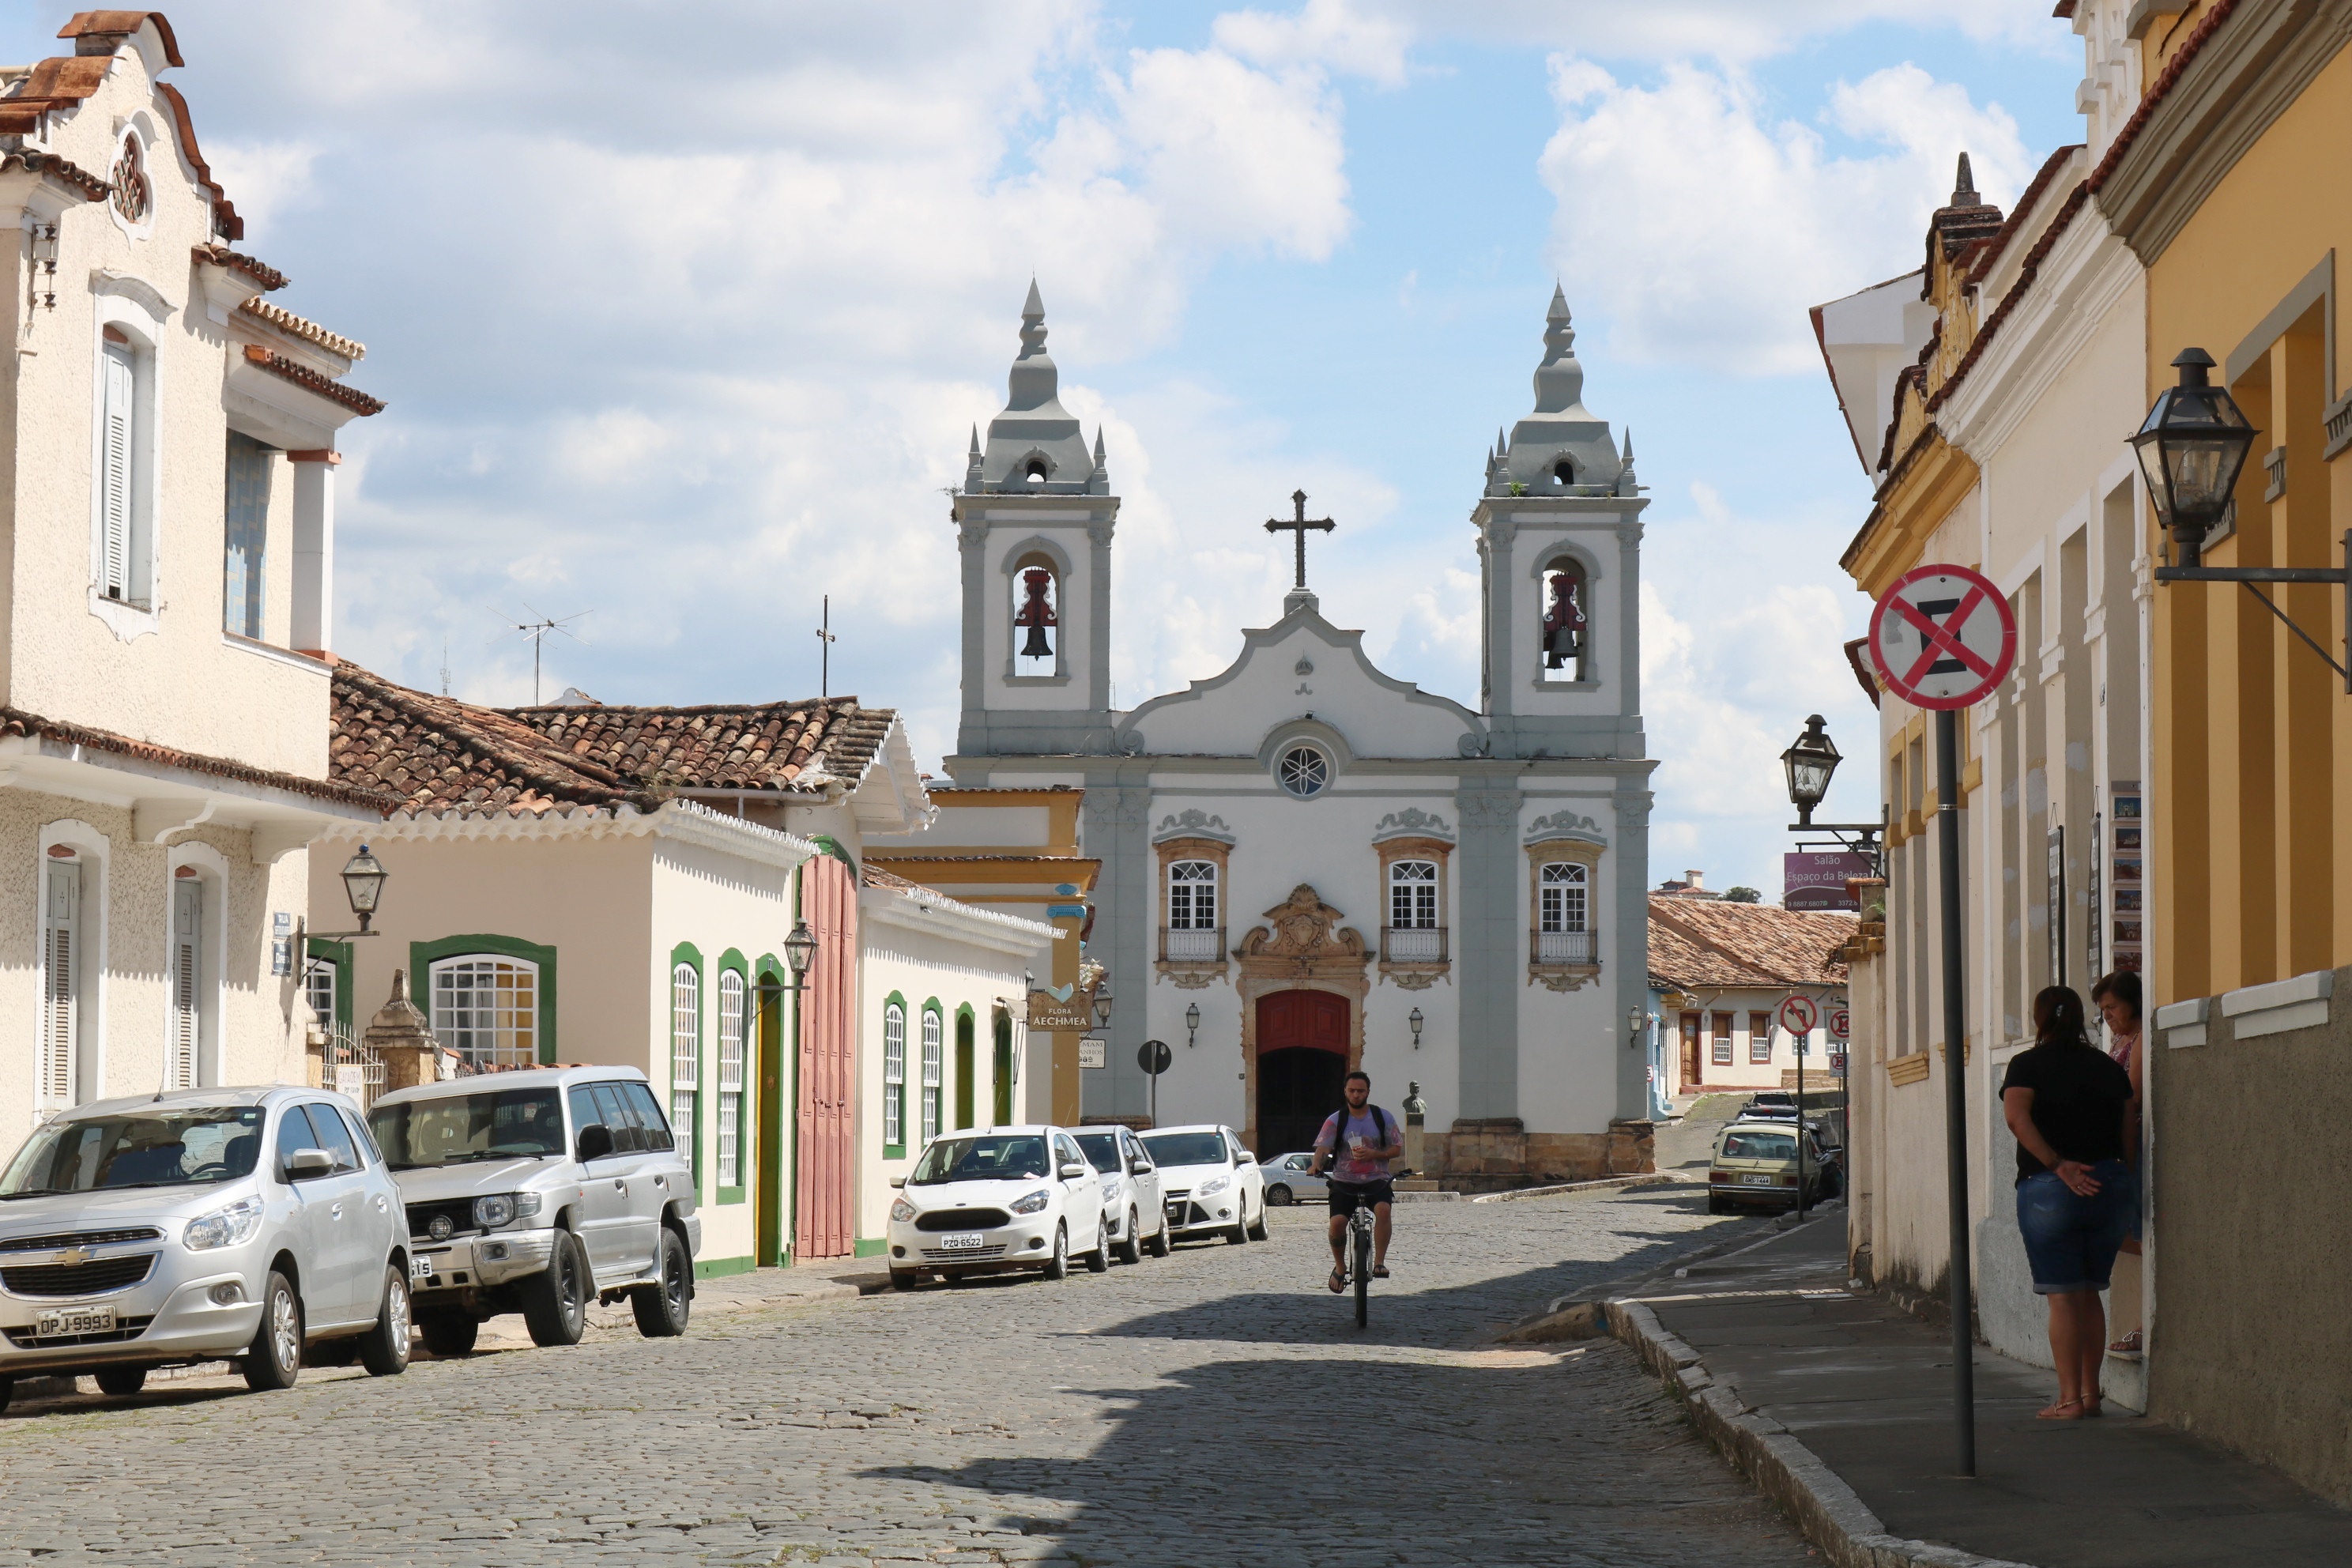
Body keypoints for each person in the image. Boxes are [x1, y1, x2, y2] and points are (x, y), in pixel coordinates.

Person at [2000, 985, 2135, 1419]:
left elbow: (2016, 1118)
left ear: (2040, 1020)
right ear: (2081, 1018)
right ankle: (2092, 1394)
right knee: (2091, 1292)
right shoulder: (2106, 1065)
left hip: (2050, 1186)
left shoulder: (2026, 1065)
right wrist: (2123, 1178)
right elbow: (2128, 1125)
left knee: (2062, 1297)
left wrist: (2059, 1165)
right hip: (2107, 1185)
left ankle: (2068, 1399)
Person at [2090, 970, 2146, 1359]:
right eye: (2103, 1010)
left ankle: (2148, 1317)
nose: (2108, 1015)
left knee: (2130, 1228)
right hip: (2113, 1142)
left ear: (2132, 1002)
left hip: (2133, 1141)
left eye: (2113, 1007)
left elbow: (2135, 1095)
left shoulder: (2141, 1039)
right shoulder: (2119, 1039)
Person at [1310, 1070, 1401, 1293]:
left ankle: (1379, 1262)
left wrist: (1374, 1154)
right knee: (1337, 1223)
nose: (1356, 1095)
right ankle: (1340, 1268)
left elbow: (1396, 1148)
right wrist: (1316, 1166)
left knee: (1383, 1210)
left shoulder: (1383, 1117)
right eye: (1352, 1090)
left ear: (1368, 1092)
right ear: (1345, 1092)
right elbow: (1323, 1148)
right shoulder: (1336, 1120)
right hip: (1344, 1181)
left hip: (1376, 1179)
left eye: (1361, 1091)